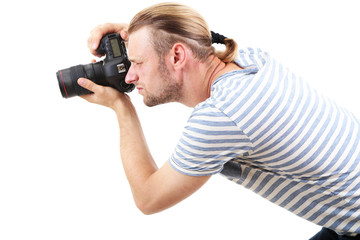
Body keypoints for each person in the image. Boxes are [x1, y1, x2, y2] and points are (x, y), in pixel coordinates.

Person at [77, 3, 360, 239]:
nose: (128, 76)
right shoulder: (250, 60)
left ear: (177, 55)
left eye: (137, 62)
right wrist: (139, 35)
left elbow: (148, 198)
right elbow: (180, 33)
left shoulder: (221, 116)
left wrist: (121, 107)